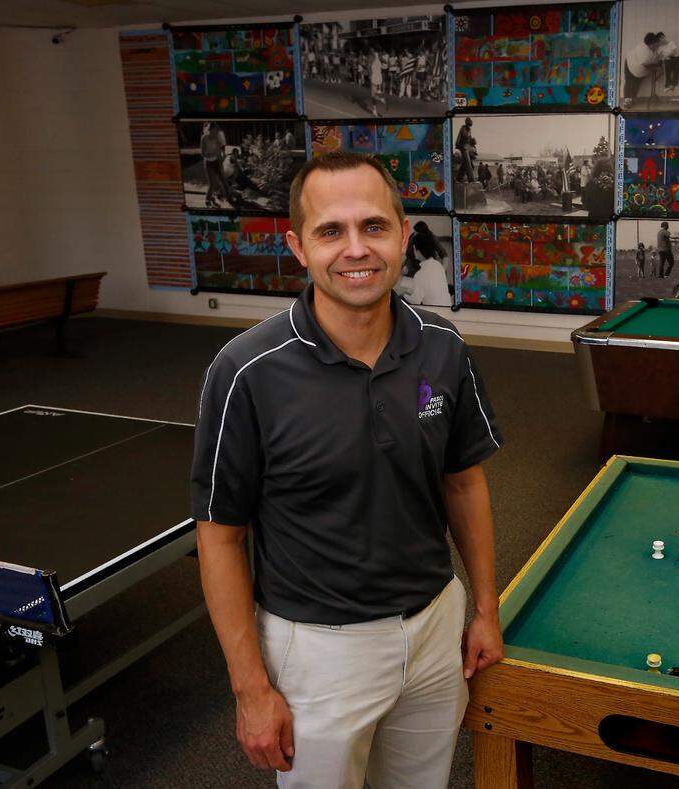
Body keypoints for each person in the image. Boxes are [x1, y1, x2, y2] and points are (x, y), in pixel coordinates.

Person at [192, 150, 503, 789]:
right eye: (331, 231)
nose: (356, 249)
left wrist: (485, 608)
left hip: (436, 628)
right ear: (298, 247)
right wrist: (251, 689)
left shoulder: (444, 350)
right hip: (319, 652)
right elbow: (220, 536)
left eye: (374, 226)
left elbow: (464, 482)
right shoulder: (245, 373)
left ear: (402, 233)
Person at [403, 232, 452, 307]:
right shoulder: (438, 265)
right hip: (447, 307)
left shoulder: (420, 274)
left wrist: (404, 295)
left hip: (433, 310)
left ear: (417, 251)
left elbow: (415, 301)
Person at [623, 32, 661, 105]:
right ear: (650, 44)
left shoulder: (655, 48)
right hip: (630, 63)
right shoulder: (642, 48)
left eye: (656, 44)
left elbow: (654, 59)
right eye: (654, 44)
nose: (655, 45)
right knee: (629, 82)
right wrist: (656, 65)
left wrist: (657, 63)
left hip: (639, 68)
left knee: (637, 83)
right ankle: (627, 102)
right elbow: (645, 63)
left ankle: (632, 100)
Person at [200, 122, 231, 208]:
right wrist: (211, 154)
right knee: (212, 184)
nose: (213, 132)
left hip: (216, 162)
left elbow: (219, 153)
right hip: (208, 163)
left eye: (215, 131)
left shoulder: (217, 138)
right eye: (211, 130)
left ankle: (229, 197)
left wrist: (221, 162)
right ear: (208, 130)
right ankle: (208, 199)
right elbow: (203, 154)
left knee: (223, 180)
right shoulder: (204, 138)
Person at [455, 118, 476, 184]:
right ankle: (471, 179)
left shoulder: (469, 130)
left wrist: (473, 144)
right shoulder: (463, 128)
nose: (469, 126)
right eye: (468, 125)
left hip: (467, 147)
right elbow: (459, 138)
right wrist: (458, 145)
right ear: (466, 123)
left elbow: (470, 139)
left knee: (466, 164)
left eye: (470, 125)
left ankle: (458, 178)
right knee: (467, 162)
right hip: (462, 147)